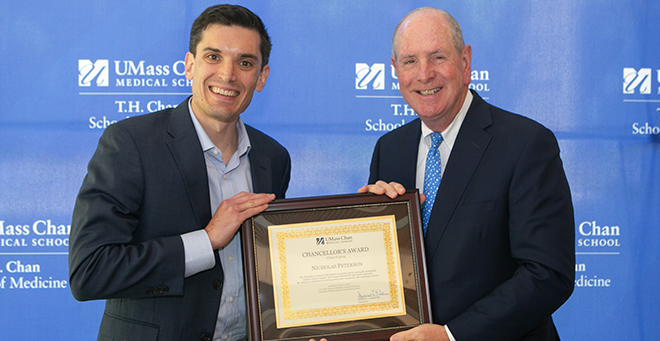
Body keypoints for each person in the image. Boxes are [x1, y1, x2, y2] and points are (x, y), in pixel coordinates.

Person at [69, 5, 290, 341]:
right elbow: (91, 271)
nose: (228, 75)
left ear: (261, 77)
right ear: (189, 65)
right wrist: (207, 240)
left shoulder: (273, 157)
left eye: (244, 62)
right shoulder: (131, 143)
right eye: (213, 57)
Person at [358, 7, 575, 341]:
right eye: (410, 61)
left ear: (465, 61)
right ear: (395, 69)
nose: (424, 74)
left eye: (438, 57)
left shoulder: (526, 144)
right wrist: (365, 227)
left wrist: (452, 335)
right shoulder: (390, 148)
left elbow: (547, 274)